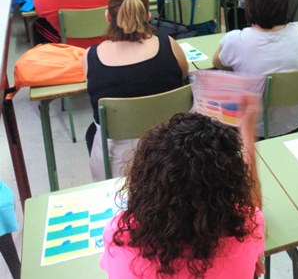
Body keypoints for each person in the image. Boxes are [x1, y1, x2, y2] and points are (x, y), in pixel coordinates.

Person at [100, 109, 264, 278]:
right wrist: (248, 132)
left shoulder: (119, 239)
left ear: (146, 181)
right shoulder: (249, 226)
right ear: (233, 184)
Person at [84, 0, 188, 180]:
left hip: (118, 167)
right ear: (148, 16)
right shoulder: (169, 45)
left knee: (92, 130)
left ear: (108, 16)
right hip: (174, 154)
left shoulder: (91, 56)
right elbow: (183, 75)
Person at [214, 0, 298, 138]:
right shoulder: (297, 31)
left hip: (254, 128)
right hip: (297, 119)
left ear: (249, 7)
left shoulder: (237, 39)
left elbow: (217, 63)